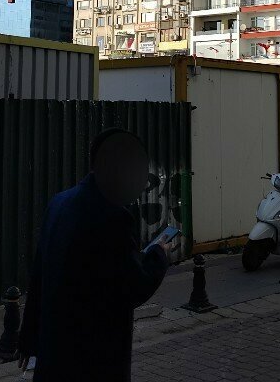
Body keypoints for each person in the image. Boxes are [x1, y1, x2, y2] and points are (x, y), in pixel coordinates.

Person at [17, 128, 172, 381]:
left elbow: (39, 277)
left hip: (54, 354)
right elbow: (134, 285)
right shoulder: (113, 216)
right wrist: (159, 255)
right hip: (93, 358)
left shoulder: (59, 203)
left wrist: (29, 338)